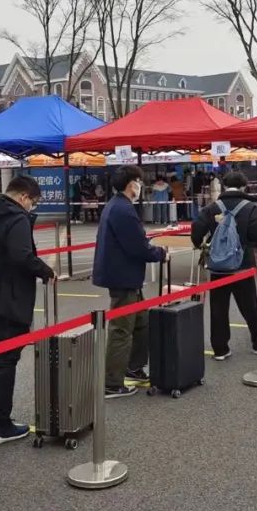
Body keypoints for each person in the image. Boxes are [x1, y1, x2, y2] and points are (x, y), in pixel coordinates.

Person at [0, 175, 53, 444]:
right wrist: (45, 270)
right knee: (5, 360)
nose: (32, 208)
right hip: (8, 299)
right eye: (34, 203)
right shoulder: (15, 218)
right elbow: (21, 256)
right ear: (24, 197)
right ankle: (0, 425)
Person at [93, 165, 168, 398]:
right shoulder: (123, 210)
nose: (141, 186)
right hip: (122, 276)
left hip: (125, 275)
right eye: (139, 181)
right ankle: (112, 382)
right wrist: (159, 253)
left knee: (140, 323)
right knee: (121, 329)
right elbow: (137, 246)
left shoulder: (116, 205)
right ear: (130, 184)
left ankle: (133, 367)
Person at [190, 171, 257, 359]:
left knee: (218, 308)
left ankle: (220, 349)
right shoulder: (250, 208)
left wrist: (203, 245)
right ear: (243, 186)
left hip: (218, 266)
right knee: (250, 306)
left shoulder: (213, 207)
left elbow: (197, 229)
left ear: (224, 186)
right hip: (243, 264)